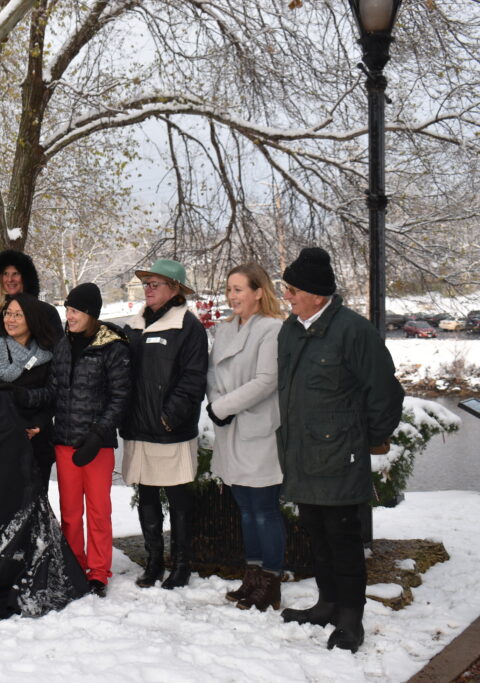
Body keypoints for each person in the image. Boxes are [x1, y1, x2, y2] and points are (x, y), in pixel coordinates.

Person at [275, 247, 403, 653]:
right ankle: (327, 604)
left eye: (292, 289)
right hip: (302, 456)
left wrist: (367, 439)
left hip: (340, 459)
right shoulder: (290, 330)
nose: (287, 296)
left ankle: (351, 619)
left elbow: (385, 392)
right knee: (316, 535)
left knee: (344, 541)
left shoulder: (353, 330)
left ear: (316, 294)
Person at [18, 283, 130, 598]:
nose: (69, 316)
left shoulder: (113, 347)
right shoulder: (63, 346)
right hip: (65, 442)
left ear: (91, 314)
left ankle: (98, 572)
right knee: (69, 512)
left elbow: (120, 398)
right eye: (67, 310)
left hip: (96, 445)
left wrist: (98, 434)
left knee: (97, 511)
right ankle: (74, 566)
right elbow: (54, 391)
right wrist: (26, 396)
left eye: (75, 311)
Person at [121, 259, 208, 590]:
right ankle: (154, 561)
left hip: (170, 430)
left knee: (178, 499)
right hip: (138, 429)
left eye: (155, 284)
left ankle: (182, 564)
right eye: (146, 284)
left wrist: (169, 416)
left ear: (175, 289)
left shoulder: (189, 327)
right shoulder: (133, 325)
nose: (148, 290)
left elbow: (193, 380)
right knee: (146, 497)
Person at [206, 262, 286, 611]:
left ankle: (271, 580)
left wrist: (224, 407)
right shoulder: (224, 331)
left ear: (258, 292)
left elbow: (267, 380)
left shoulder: (272, 329)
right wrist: (216, 407)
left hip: (258, 430)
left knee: (265, 511)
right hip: (229, 429)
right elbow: (211, 376)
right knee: (246, 511)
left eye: (238, 289)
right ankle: (252, 577)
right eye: (228, 289)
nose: (231, 295)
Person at [0, 292, 59, 494]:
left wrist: (38, 425)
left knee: (34, 503)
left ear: (32, 318)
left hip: (35, 441)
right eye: (8, 313)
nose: (10, 319)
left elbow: (53, 395)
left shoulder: (48, 353)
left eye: (18, 315)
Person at [0, 250, 63, 345]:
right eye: (5, 274)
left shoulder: (45, 311)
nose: (10, 279)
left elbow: (59, 350)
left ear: (26, 278)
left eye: (15, 274)